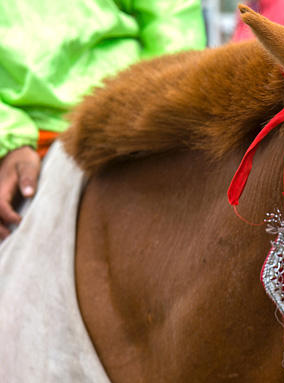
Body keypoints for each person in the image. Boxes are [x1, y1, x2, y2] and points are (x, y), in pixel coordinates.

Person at [0, 0, 207, 240]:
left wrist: (161, 103)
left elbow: (170, 15)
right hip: (28, 143)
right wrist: (8, 139)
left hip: (131, 123)